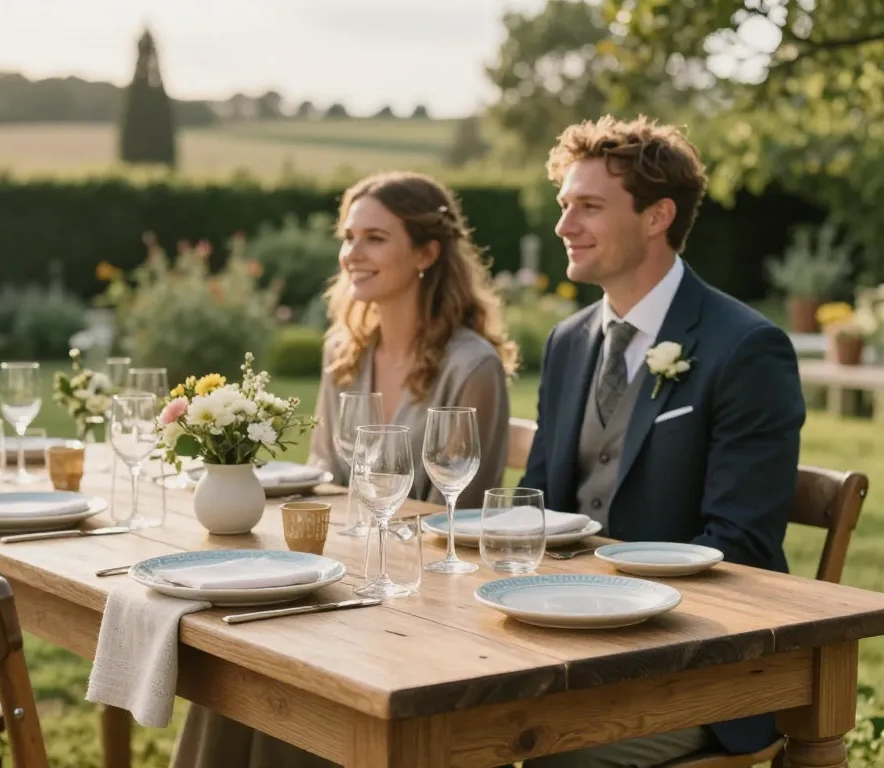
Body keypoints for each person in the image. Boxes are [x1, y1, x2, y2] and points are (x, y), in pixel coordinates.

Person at [169, 170, 519, 768]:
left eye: (375, 238)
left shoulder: (471, 367)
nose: (351, 253)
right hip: (349, 573)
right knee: (245, 654)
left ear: (427, 253)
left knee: (289, 666)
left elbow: (456, 517)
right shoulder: (345, 352)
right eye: (349, 236)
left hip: (421, 599)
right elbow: (327, 475)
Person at [518, 114, 807, 768]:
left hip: (699, 677)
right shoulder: (567, 342)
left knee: (539, 753)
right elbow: (541, 513)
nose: (565, 226)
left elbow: (742, 546)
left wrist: (599, 602)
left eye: (588, 207)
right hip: (559, 652)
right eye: (565, 206)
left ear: (657, 217)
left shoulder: (746, 348)